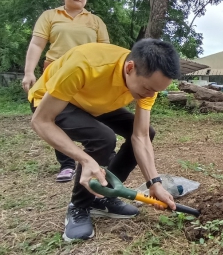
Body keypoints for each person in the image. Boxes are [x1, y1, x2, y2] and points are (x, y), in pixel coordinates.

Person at [28, 39, 180, 242]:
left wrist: (154, 183)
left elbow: (141, 136)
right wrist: (85, 160)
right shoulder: (84, 65)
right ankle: (79, 206)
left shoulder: (147, 83)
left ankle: (103, 197)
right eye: (148, 88)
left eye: (156, 91)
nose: (150, 95)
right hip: (50, 101)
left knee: (148, 132)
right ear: (130, 68)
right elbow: (41, 121)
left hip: (95, 104)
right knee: (103, 138)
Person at [21, 0, 110, 182]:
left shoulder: (95, 21)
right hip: (55, 73)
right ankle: (67, 164)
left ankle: (93, 157)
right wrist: (29, 72)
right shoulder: (50, 16)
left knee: (84, 119)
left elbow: (105, 51)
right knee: (57, 118)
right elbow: (36, 44)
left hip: (86, 77)